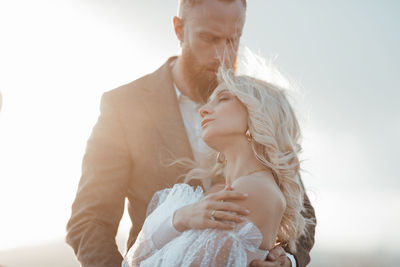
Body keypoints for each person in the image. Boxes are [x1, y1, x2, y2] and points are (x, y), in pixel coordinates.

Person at [66, 0, 316, 266]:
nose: (222, 55)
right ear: (179, 29)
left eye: (233, 40)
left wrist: (286, 260)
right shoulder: (124, 107)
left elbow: (300, 210)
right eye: (209, 38)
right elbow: (90, 220)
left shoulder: (256, 106)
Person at [122, 71, 313, 266]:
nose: (203, 109)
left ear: (257, 113)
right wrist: (180, 218)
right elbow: (134, 259)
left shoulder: (252, 192)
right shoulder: (226, 192)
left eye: (222, 99)